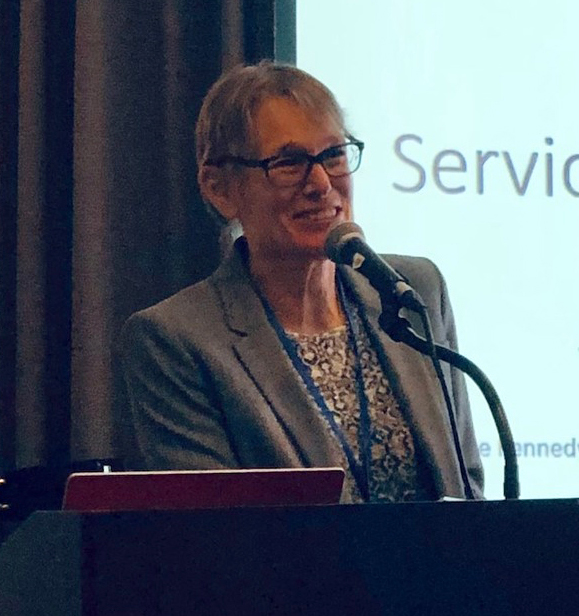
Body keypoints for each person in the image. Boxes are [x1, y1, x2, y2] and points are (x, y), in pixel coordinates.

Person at [119, 62, 484, 498]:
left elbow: (466, 488)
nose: (321, 183)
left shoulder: (412, 290)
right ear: (219, 188)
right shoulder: (177, 340)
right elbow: (212, 539)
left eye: (333, 155)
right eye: (289, 163)